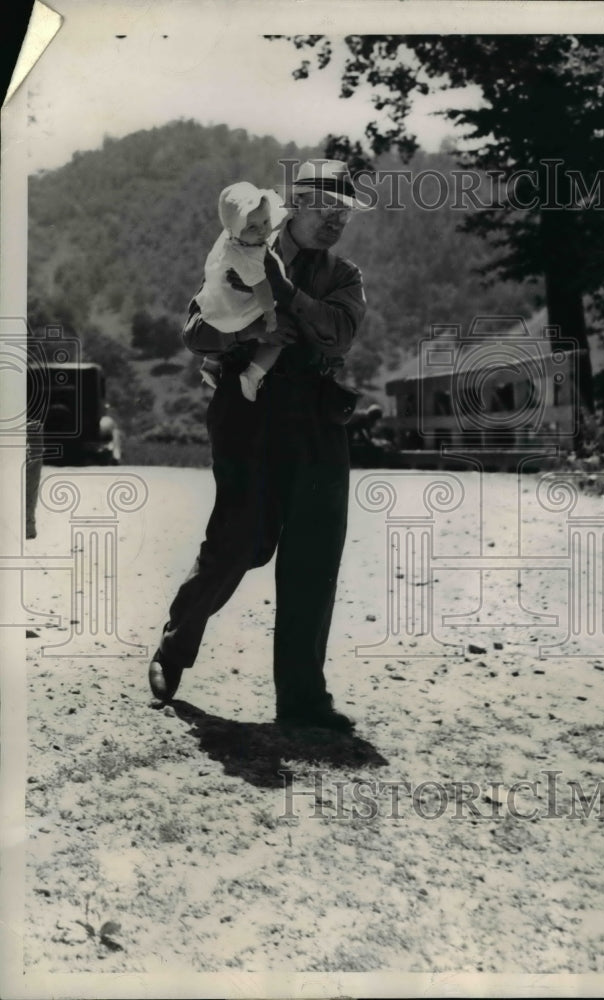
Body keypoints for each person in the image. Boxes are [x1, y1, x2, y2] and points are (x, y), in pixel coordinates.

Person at [149, 159, 369, 733]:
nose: (336, 221)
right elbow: (195, 331)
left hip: (317, 415)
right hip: (247, 411)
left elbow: (340, 332)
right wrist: (250, 331)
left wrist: (288, 294)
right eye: (326, 208)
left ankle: (302, 697)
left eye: (345, 213)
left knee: (315, 552)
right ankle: (176, 645)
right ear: (296, 205)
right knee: (239, 539)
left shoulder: (344, 275)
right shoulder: (241, 250)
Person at [195, 181, 288, 401]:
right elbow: (261, 287)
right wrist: (270, 314)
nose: (262, 230)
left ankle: (211, 362)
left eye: (265, 222)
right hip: (236, 313)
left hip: (220, 308)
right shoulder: (246, 256)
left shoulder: (234, 242)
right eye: (252, 227)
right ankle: (253, 374)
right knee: (281, 334)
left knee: (222, 324)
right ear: (236, 230)